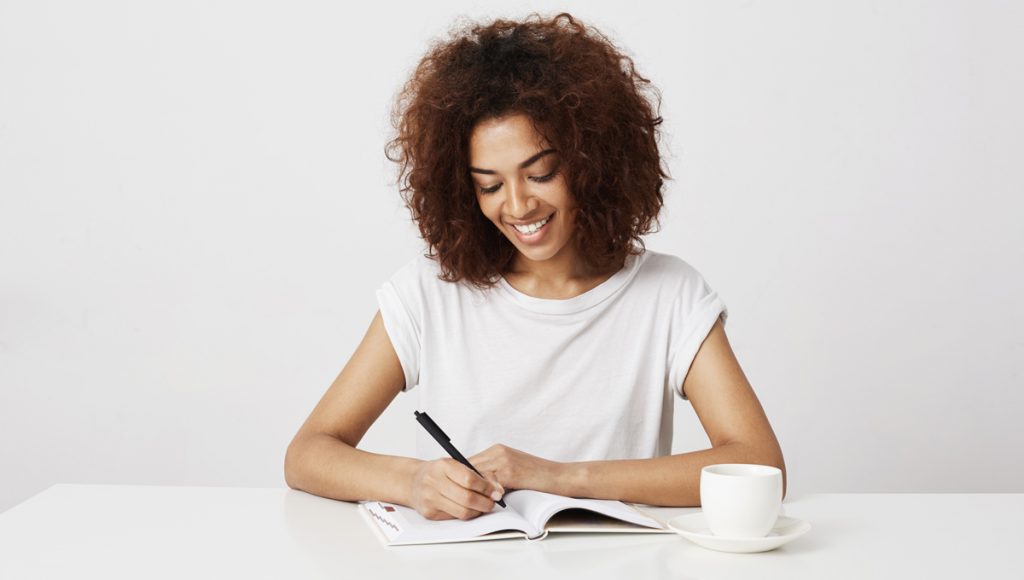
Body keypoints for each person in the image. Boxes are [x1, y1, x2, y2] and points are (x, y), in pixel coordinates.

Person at [284, 12, 786, 522]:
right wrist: (413, 482)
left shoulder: (669, 294)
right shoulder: (429, 293)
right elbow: (308, 453)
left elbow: (759, 461)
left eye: (541, 173)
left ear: (593, 160)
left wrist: (559, 476)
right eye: (490, 185)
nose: (519, 205)